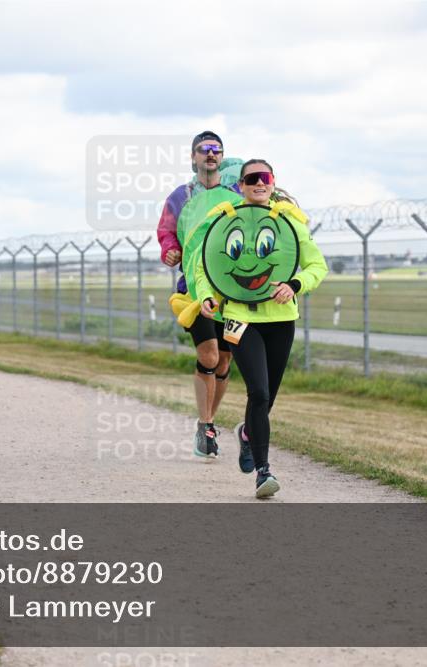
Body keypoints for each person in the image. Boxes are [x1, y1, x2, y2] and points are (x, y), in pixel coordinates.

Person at [195, 159, 328, 498]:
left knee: (268, 398)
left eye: (264, 177)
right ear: (240, 185)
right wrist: (207, 296)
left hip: (281, 320)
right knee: (259, 392)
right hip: (239, 317)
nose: (259, 183)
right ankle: (263, 472)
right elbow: (204, 266)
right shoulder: (223, 220)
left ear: (272, 183)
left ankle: (246, 435)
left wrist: (295, 285)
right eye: (251, 178)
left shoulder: (289, 222)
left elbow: (316, 265)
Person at [157, 130, 242, 458]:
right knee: (207, 356)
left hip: (230, 292)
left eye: (216, 150)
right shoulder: (181, 196)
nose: (210, 154)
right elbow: (166, 231)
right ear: (193, 158)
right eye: (204, 150)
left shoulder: (235, 194)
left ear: (222, 157)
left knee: (224, 360)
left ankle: (209, 421)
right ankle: (205, 424)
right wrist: (170, 250)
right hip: (193, 289)